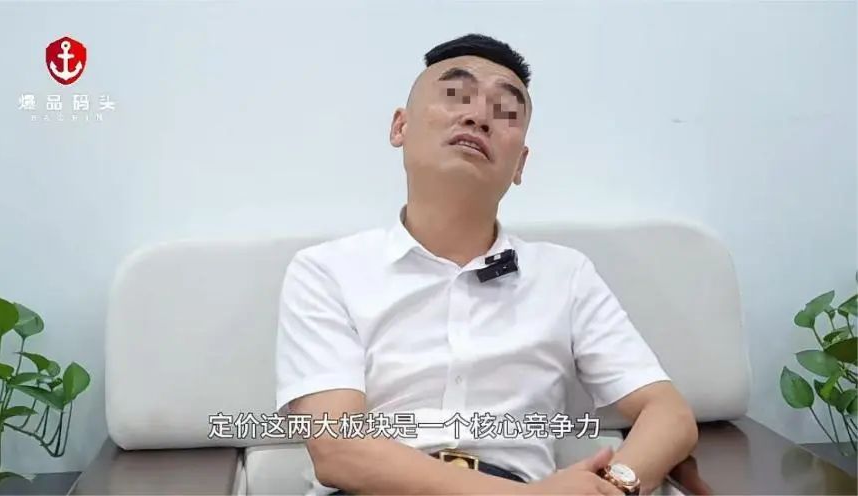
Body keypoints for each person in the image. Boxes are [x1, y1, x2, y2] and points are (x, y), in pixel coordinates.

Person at [274, 33, 698, 495]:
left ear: (520, 165)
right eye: (456, 95)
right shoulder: (327, 270)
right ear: (400, 128)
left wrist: (613, 485)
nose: (478, 117)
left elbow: (668, 413)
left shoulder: (565, 275)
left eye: (506, 112)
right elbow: (338, 449)